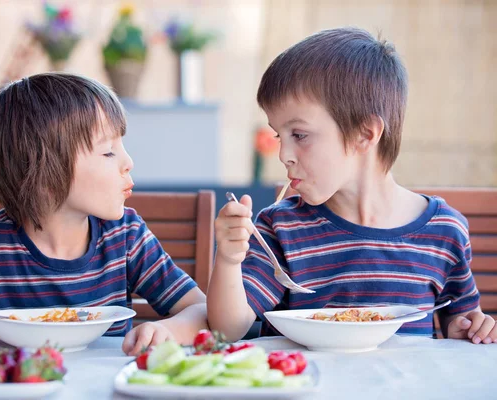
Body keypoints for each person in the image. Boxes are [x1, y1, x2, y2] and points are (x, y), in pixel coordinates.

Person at [207, 27, 496, 344]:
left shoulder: (444, 230)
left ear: (365, 134)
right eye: (279, 135)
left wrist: (469, 329)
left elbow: (463, 322)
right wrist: (229, 259)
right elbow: (227, 329)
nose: (283, 155)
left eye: (299, 135)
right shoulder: (281, 226)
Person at [0, 73, 207, 356]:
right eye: (108, 151)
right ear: (43, 173)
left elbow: (201, 309)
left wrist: (168, 330)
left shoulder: (125, 236)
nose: (128, 162)